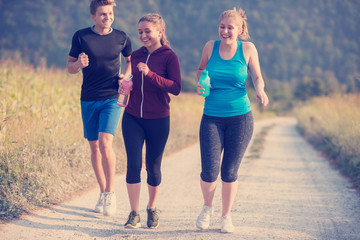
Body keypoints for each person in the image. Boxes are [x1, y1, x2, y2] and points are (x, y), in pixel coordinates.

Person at [196, 8, 269, 233]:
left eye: (230, 27)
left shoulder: (247, 49)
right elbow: (201, 69)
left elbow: (256, 76)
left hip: (240, 118)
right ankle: (207, 208)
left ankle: (226, 216)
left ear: (240, 30)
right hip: (211, 117)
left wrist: (260, 90)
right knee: (209, 170)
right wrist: (201, 82)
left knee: (229, 171)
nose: (225, 31)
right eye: (222, 26)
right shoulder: (210, 47)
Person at [66, 0, 132, 216]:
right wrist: (78, 65)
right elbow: (70, 67)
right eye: (103, 14)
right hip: (88, 98)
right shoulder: (81, 36)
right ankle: (103, 191)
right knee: (94, 147)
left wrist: (127, 75)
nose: (108, 17)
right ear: (93, 16)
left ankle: (111, 194)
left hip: (112, 97)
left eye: (110, 13)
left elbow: (130, 60)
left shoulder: (122, 37)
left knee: (105, 143)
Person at [122, 13, 181, 229]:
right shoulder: (136, 55)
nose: (144, 35)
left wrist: (150, 75)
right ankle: (133, 213)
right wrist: (124, 84)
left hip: (158, 119)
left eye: (148, 31)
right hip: (132, 117)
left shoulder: (169, 57)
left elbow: (176, 88)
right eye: (140, 32)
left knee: (153, 168)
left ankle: (152, 208)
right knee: (133, 165)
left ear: (160, 32)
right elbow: (132, 81)